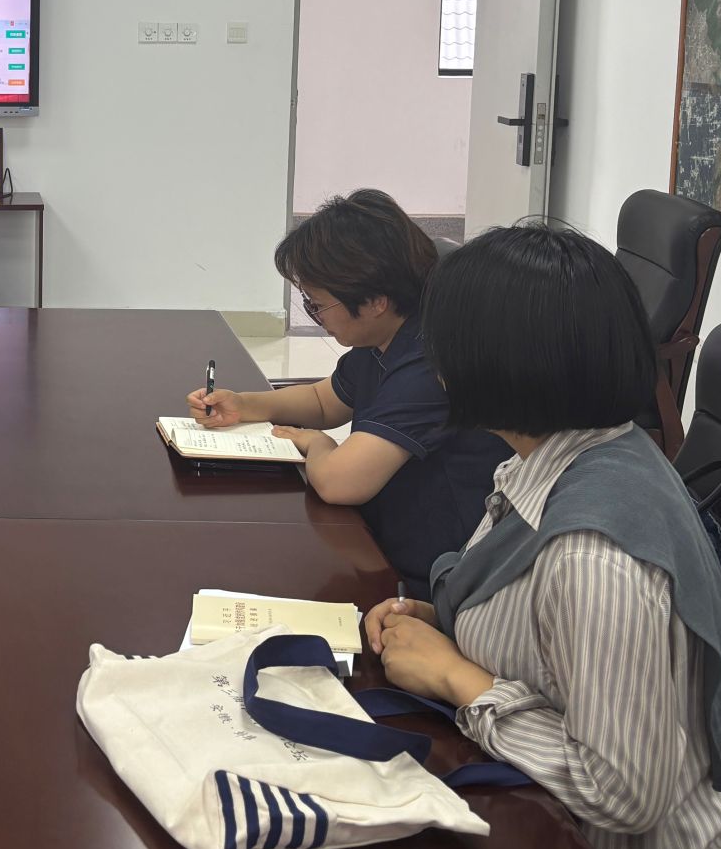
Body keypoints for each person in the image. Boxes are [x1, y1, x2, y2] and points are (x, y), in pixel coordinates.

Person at [362, 224, 721, 849]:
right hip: (540, 823)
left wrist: (458, 676)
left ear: (492, 364)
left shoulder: (592, 556)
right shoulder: (583, 450)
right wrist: (443, 620)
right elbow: (540, 625)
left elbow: (623, 792)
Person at [186, 189, 509, 596]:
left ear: (374, 302)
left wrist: (318, 445)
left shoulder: (429, 364)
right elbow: (325, 401)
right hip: (381, 536)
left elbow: (341, 483)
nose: (315, 316)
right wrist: (245, 405)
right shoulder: (385, 337)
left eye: (318, 305)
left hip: (428, 576)